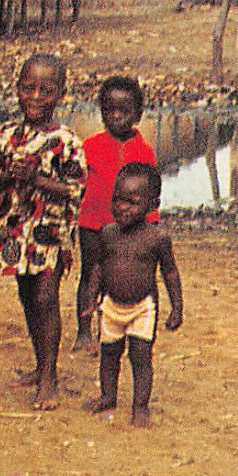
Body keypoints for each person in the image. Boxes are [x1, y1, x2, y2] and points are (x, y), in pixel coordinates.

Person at [0, 54, 87, 410]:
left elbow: (75, 189)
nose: (36, 97)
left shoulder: (67, 141)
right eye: (28, 88)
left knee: (46, 297)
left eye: (46, 90)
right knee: (27, 296)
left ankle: (49, 377)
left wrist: (38, 179)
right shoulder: (7, 135)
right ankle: (40, 363)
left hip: (50, 234)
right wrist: (12, 174)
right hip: (16, 232)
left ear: (61, 94)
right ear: (17, 90)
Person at [84, 163, 183, 427]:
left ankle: (140, 407)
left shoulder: (157, 237)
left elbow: (170, 273)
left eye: (132, 202)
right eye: (117, 199)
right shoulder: (108, 233)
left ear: (152, 205)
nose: (122, 207)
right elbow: (98, 267)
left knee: (140, 357)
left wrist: (177, 308)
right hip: (111, 306)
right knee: (108, 355)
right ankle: (108, 396)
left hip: (143, 308)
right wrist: (91, 296)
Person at [74, 75, 157, 352]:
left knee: (123, 275)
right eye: (109, 110)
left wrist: (151, 224)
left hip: (128, 228)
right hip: (93, 223)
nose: (117, 117)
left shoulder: (145, 151)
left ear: (138, 114)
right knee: (89, 274)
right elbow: (77, 184)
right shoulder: (90, 147)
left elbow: (151, 194)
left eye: (124, 111)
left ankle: (125, 328)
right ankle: (84, 332)